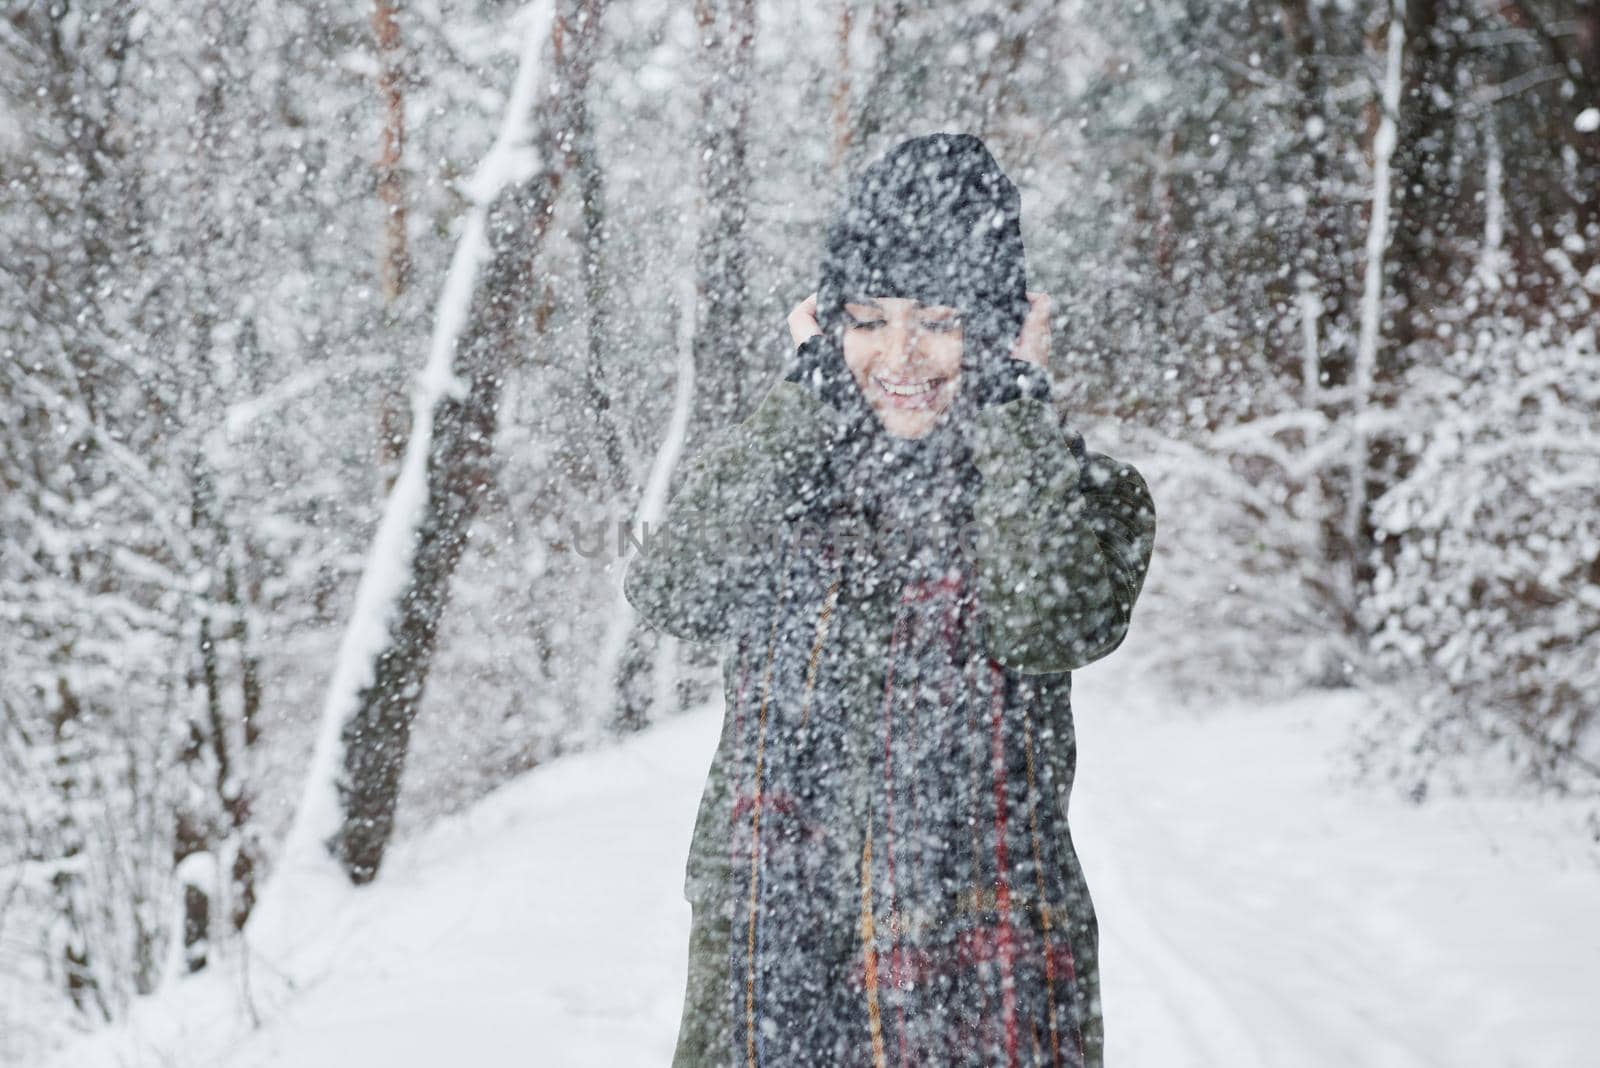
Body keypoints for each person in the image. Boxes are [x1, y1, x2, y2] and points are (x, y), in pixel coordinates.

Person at [625, 133, 1156, 1068]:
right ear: (828, 328)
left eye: (941, 320)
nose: (900, 354)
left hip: (981, 989)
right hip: (772, 983)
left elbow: (1049, 621)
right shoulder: (784, 487)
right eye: (869, 319)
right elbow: (672, 589)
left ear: (999, 328)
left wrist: (1011, 408)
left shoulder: (1078, 494)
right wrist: (806, 402)